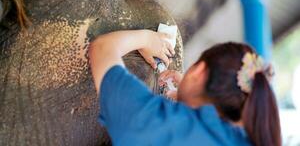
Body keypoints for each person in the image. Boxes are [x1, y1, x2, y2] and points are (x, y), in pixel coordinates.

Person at [88, 29, 281, 146]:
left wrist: (147, 39)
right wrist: (191, 95)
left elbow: (103, 48)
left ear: (199, 71)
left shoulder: (159, 123)